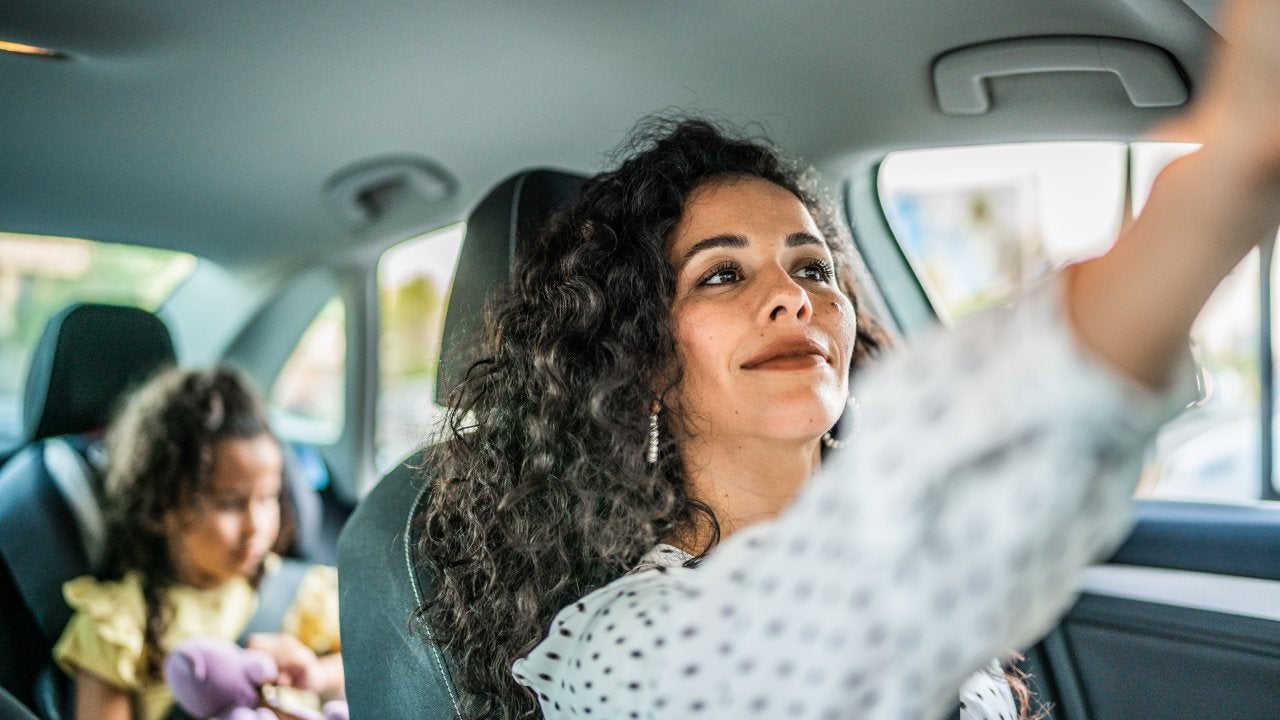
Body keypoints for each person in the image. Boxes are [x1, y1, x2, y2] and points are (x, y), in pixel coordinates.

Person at [417, 0, 1280, 717]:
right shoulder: (624, 649)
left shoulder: (900, 550)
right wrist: (1221, 179)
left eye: (812, 267)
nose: (794, 296)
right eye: (722, 274)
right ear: (637, 357)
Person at [53, 367, 343, 720]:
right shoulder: (120, 623)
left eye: (268, 498)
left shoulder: (296, 591)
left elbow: (373, 660)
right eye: (231, 503)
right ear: (163, 506)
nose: (257, 525)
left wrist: (315, 674)